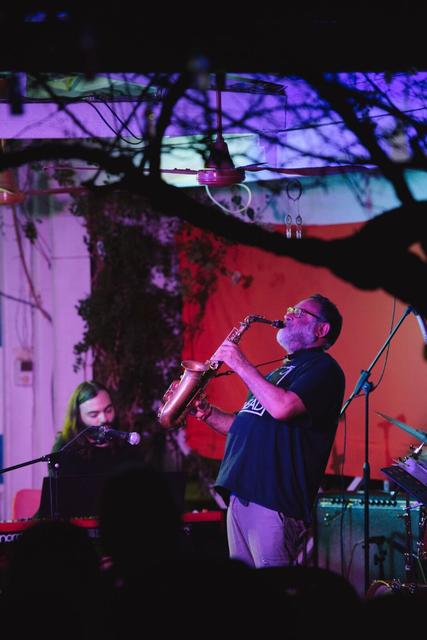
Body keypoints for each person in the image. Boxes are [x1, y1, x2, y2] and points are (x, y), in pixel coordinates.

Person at [192, 294, 345, 569]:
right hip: (242, 494)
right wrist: (208, 413)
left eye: (300, 313)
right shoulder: (279, 372)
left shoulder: (324, 369)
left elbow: (283, 408)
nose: (288, 314)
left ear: (322, 329)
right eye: (290, 308)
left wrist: (240, 364)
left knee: (274, 591)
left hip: (274, 499)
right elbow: (243, 425)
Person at [39, 380, 142, 518]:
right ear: (78, 417)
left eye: (108, 410)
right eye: (94, 415)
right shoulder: (65, 447)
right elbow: (62, 501)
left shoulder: (126, 442)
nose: (104, 419)